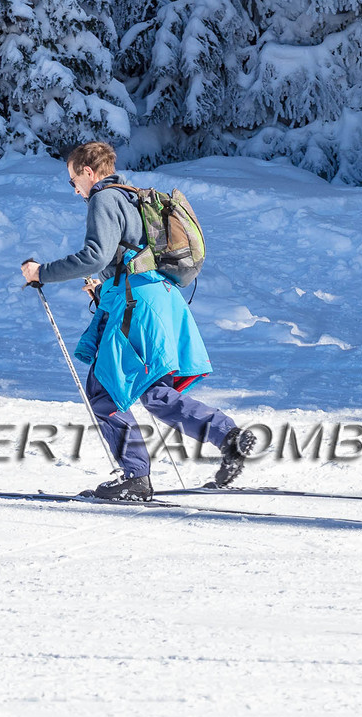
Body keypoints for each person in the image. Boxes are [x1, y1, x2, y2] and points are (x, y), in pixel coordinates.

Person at [21, 140, 259, 504]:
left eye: (73, 180)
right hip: (158, 300)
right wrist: (104, 290)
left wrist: (43, 272)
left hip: (139, 306)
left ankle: (135, 477)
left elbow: (94, 256)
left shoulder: (104, 198)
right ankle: (229, 437)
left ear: (88, 172)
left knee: (105, 389)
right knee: (154, 392)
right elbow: (130, 260)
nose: (74, 189)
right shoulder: (131, 197)